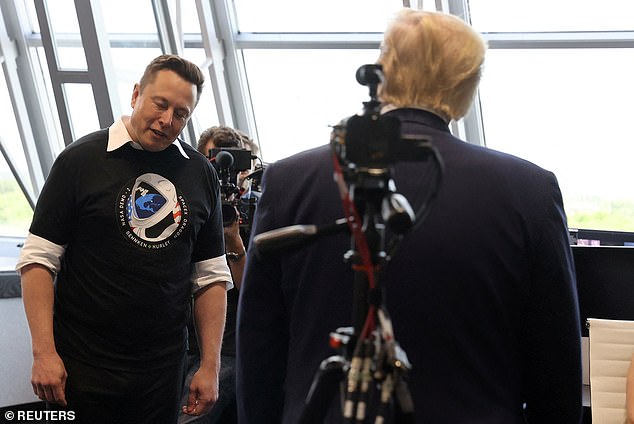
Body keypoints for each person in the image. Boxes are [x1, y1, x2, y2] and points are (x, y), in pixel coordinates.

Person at [236, 9, 582, 424]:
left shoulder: (288, 181)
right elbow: (556, 370)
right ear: (466, 85)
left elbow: (258, 354)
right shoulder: (530, 192)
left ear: (384, 70)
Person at [16, 54, 231, 424]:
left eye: (180, 114)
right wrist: (43, 353)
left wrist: (210, 366)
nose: (167, 120)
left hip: (162, 370)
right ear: (136, 95)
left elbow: (210, 276)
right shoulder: (80, 161)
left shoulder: (200, 174)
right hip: (81, 364)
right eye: (159, 104)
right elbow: (38, 260)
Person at [179, 126, 258, 424]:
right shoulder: (187, 205)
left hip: (229, 348)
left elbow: (254, 294)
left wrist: (234, 241)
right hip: (181, 340)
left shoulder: (257, 209)